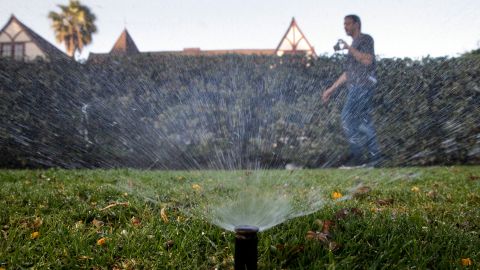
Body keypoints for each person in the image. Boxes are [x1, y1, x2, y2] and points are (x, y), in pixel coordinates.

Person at [322, 14, 381, 167]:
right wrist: (331, 89)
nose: (345, 27)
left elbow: (367, 61)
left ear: (357, 24)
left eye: (347, 24)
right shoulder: (354, 45)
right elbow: (348, 74)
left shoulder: (366, 39)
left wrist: (349, 47)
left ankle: (358, 158)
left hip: (362, 86)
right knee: (363, 122)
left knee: (348, 119)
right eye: (344, 24)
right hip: (356, 86)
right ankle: (374, 159)